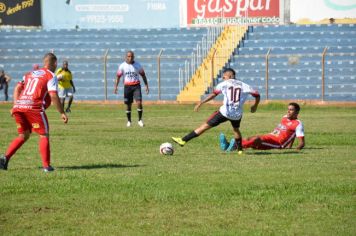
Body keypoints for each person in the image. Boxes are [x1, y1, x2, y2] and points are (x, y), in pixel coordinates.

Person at [0, 53, 68, 172]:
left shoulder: (29, 74)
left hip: (19, 107)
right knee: (44, 135)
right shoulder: (51, 75)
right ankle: (46, 167)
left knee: (23, 135)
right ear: (55, 63)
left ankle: (4, 159)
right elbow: (53, 95)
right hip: (34, 107)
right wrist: (62, 112)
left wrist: (15, 104)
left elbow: (17, 88)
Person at [172, 68, 260, 154]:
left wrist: (202, 102)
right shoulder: (245, 85)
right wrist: (254, 106)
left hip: (224, 112)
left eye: (224, 77)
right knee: (236, 129)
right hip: (237, 114)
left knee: (204, 126)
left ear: (229, 75)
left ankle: (183, 140)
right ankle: (240, 150)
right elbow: (257, 95)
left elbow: (214, 94)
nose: (223, 78)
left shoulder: (224, 84)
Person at [220, 102, 305, 151]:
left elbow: (301, 143)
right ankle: (228, 145)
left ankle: (235, 146)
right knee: (251, 138)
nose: (288, 111)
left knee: (256, 140)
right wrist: (289, 147)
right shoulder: (285, 118)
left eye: (291, 110)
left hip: (277, 143)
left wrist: (294, 151)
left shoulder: (298, 124)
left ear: (297, 112)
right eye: (288, 109)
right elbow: (292, 135)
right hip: (270, 136)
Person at [114, 50, 149, 127]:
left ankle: (140, 120)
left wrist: (146, 85)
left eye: (132, 56)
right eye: (128, 56)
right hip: (127, 87)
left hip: (136, 86)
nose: (130, 58)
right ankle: (129, 121)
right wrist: (116, 86)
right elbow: (118, 77)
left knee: (139, 103)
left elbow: (143, 75)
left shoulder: (138, 65)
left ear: (134, 57)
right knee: (128, 105)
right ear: (126, 57)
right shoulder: (122, 66)